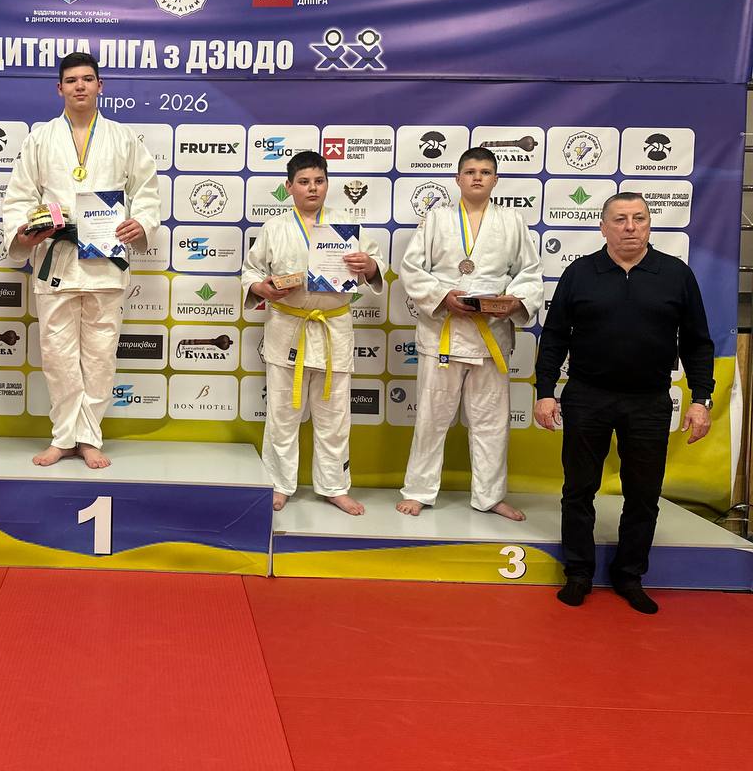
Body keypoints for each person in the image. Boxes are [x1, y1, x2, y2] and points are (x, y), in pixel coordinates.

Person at [535, 192, 713, 615]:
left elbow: (697, 342)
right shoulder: (580, 273)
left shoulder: (676, 274)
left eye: (639, 218)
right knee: (579, 490)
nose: (630, 227)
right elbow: (555, 336)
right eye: (620, 219)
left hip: (649, 401)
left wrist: (701, 398)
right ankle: (578, 573)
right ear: (603, 227)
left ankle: (629, 575)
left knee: (644, 495)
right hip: (587, 397)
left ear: (649, 225)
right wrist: (544, 392)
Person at [1, 51, 161, 468]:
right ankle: (63, 437)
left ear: (99, 86)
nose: (80, 86)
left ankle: (88, 437)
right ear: (59, 88)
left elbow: (147, 191)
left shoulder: (123, 138)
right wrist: (26, 229)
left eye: (87, 79)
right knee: (57, 356)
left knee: (100, 356)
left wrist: (141, 223)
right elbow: (19, 195)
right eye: (71, 80)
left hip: (105, 262)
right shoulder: (39, 139)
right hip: (57, 259)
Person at [397, 147, 542, 521]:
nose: (478, 177)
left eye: (485, 172)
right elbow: (412, 268)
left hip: (491, 336)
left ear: (495, 180)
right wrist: (442, 295)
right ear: (458, 179)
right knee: (431, 419)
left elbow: (529, 272)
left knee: (492, 423)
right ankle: (418, 491)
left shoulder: (512, 221)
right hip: (443, 334)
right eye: (471, 171)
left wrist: (514, 301)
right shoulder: (436, 218)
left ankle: (490, 496)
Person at [242, 151, 385, 513]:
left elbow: (376, 266)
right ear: (289, 186)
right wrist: (261, 288)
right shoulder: (275, 227)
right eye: (304, 182)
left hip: (333, 327)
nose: (312, 188)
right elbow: (251, 271)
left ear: (327, 184)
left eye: (319, 181)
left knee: (334, 417)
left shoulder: (346, 225)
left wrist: (369, 265)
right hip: (287, 327)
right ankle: (279, 484)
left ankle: (334, 486)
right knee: (282, 415)